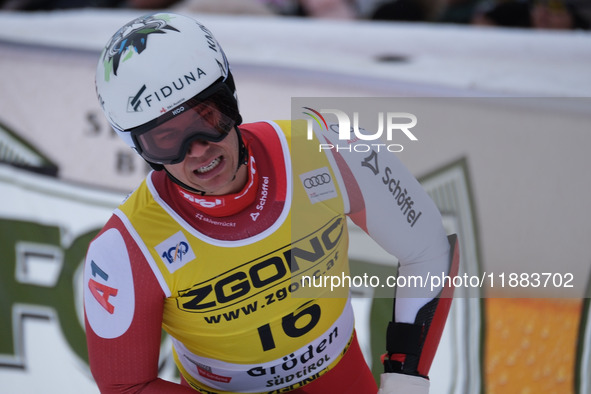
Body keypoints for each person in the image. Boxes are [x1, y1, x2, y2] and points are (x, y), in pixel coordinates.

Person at [84, 12, 458, 394]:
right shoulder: (125, 247)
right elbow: (124, 385)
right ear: (140, 149)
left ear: (231, 102)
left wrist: (405, 383)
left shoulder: (330, 149)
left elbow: (428, 250)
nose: (197, 149)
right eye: (167, 140)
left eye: (207, 118)